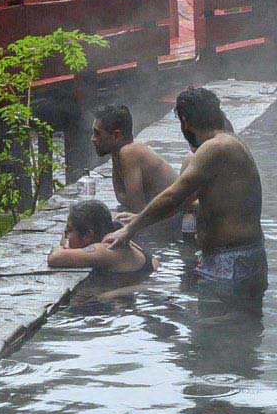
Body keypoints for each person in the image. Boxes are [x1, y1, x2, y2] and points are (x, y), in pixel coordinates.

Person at [102, 85, 265, 294]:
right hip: (231, 258)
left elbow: (173, 195)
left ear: (186, 122)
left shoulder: (215, 147)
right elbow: (182, 203)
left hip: (232, 261)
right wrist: (138, 219)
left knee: (213, 321)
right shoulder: (228, 144)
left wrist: (131, 229)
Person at [92, 102, 178, 218]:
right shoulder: (118, 154)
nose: (93, 139)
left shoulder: (129, 152)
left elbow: (137, 211)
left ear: (117, 136)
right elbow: (122, 199)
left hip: (176, 217)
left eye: (97, 133)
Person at [47, 198, 152, 275]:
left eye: (69, 231)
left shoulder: (105, 249)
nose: (66, 235)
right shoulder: (111, 234)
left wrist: (61, 247)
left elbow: (56, 257)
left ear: (88, 235)